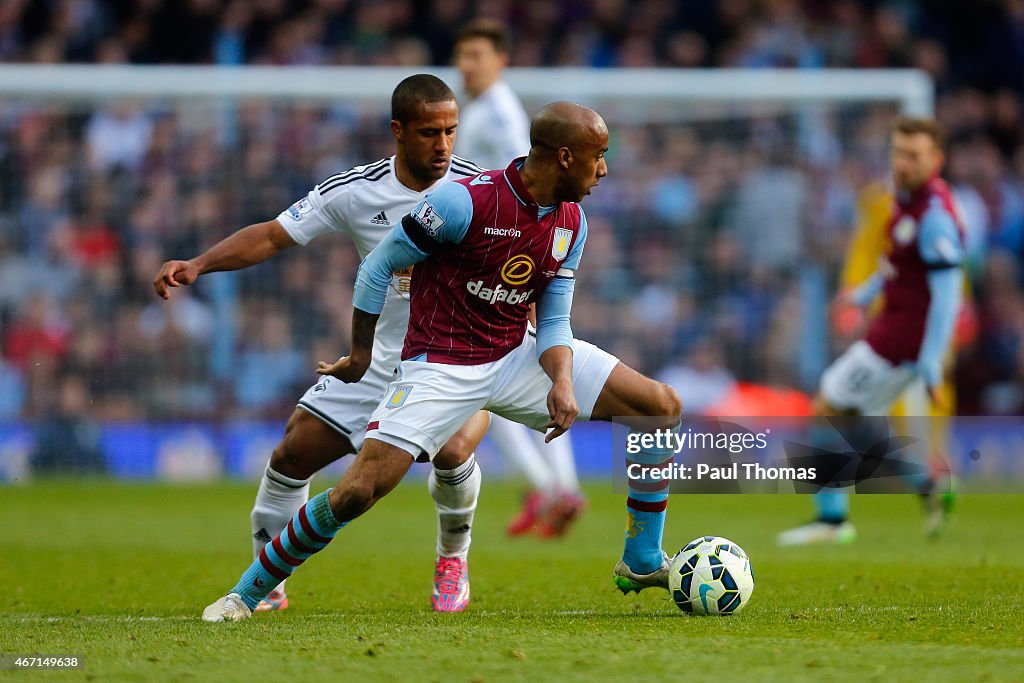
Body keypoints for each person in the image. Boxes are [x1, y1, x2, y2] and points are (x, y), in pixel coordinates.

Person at [202, 101, 683, 622]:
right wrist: (362, 353)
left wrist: (561, 380)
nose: (605, 169)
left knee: (658, 406)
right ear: (566, 157)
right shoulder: (464, 202)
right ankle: (246, 593)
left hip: (514, 355)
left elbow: (555, 322)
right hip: (440, 366)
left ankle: (641, 558)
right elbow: (379, 265)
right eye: (600, 156)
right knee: (357, 491)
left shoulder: (572, 221)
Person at [154, 74, 492, 612]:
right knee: (292, 454)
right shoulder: (356, 190)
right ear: (398, 131)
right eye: (431, 132)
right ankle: (270, 584)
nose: (444, 145)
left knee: (452, 450)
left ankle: (453, 559)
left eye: (452, 131)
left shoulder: (481, 187)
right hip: (380, 363)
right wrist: (200, 264)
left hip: (459, 358)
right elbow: (271, 234)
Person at [778, 117, 965, 546]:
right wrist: (863, 294)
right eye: (898, 152)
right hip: (889, 330)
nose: (902, 162)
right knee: (851, 420)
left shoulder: (935, 217)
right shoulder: (905, 199)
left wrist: (932, 361)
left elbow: (947, 295)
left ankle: (832, 521)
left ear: (936, 160)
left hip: (902, 344)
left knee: (827, 405)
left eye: (913, 155)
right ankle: (928, 478)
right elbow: (896, 264)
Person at [453, 18, 586, 537]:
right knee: (513, 378)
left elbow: (534, 184)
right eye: (462, 55)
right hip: (493, 260)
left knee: (497, 383)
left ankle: (554, 487)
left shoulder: (501, 114)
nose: (467, 65)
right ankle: (555, 487)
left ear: (500, 61)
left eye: (477, 56)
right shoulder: (480, 109)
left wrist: (531, 266)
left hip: (505, 263)